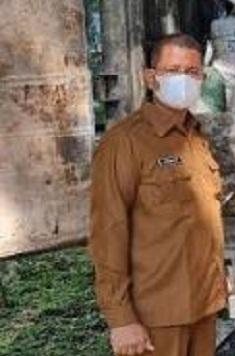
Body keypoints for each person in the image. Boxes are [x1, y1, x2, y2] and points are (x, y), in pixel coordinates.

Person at [89, 34, 227, 356]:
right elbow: (108, 231)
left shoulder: (196, 137)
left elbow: (202, 221)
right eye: (173, 69)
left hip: (203, 307)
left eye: (192, 72)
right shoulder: (124, 143)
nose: (184, 78)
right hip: (156, 315)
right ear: (151, 77)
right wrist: (121, 319)